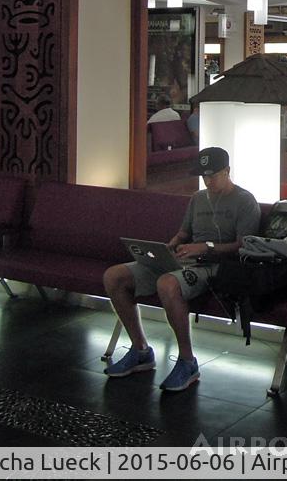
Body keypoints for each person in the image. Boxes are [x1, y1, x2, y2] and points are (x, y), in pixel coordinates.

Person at [101, 147, 260, 391]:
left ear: (227, 171)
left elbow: (243, 245)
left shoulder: (244, 201)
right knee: (115, 276)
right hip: (184, 259)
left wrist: (204, 248)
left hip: (214, 265)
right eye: (204, 176)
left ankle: (187, 361)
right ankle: (140, 349)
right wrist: (169, 246)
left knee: (167, 283)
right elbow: (184, 232)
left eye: (213, 175)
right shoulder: (198, 198)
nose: (208, 181)